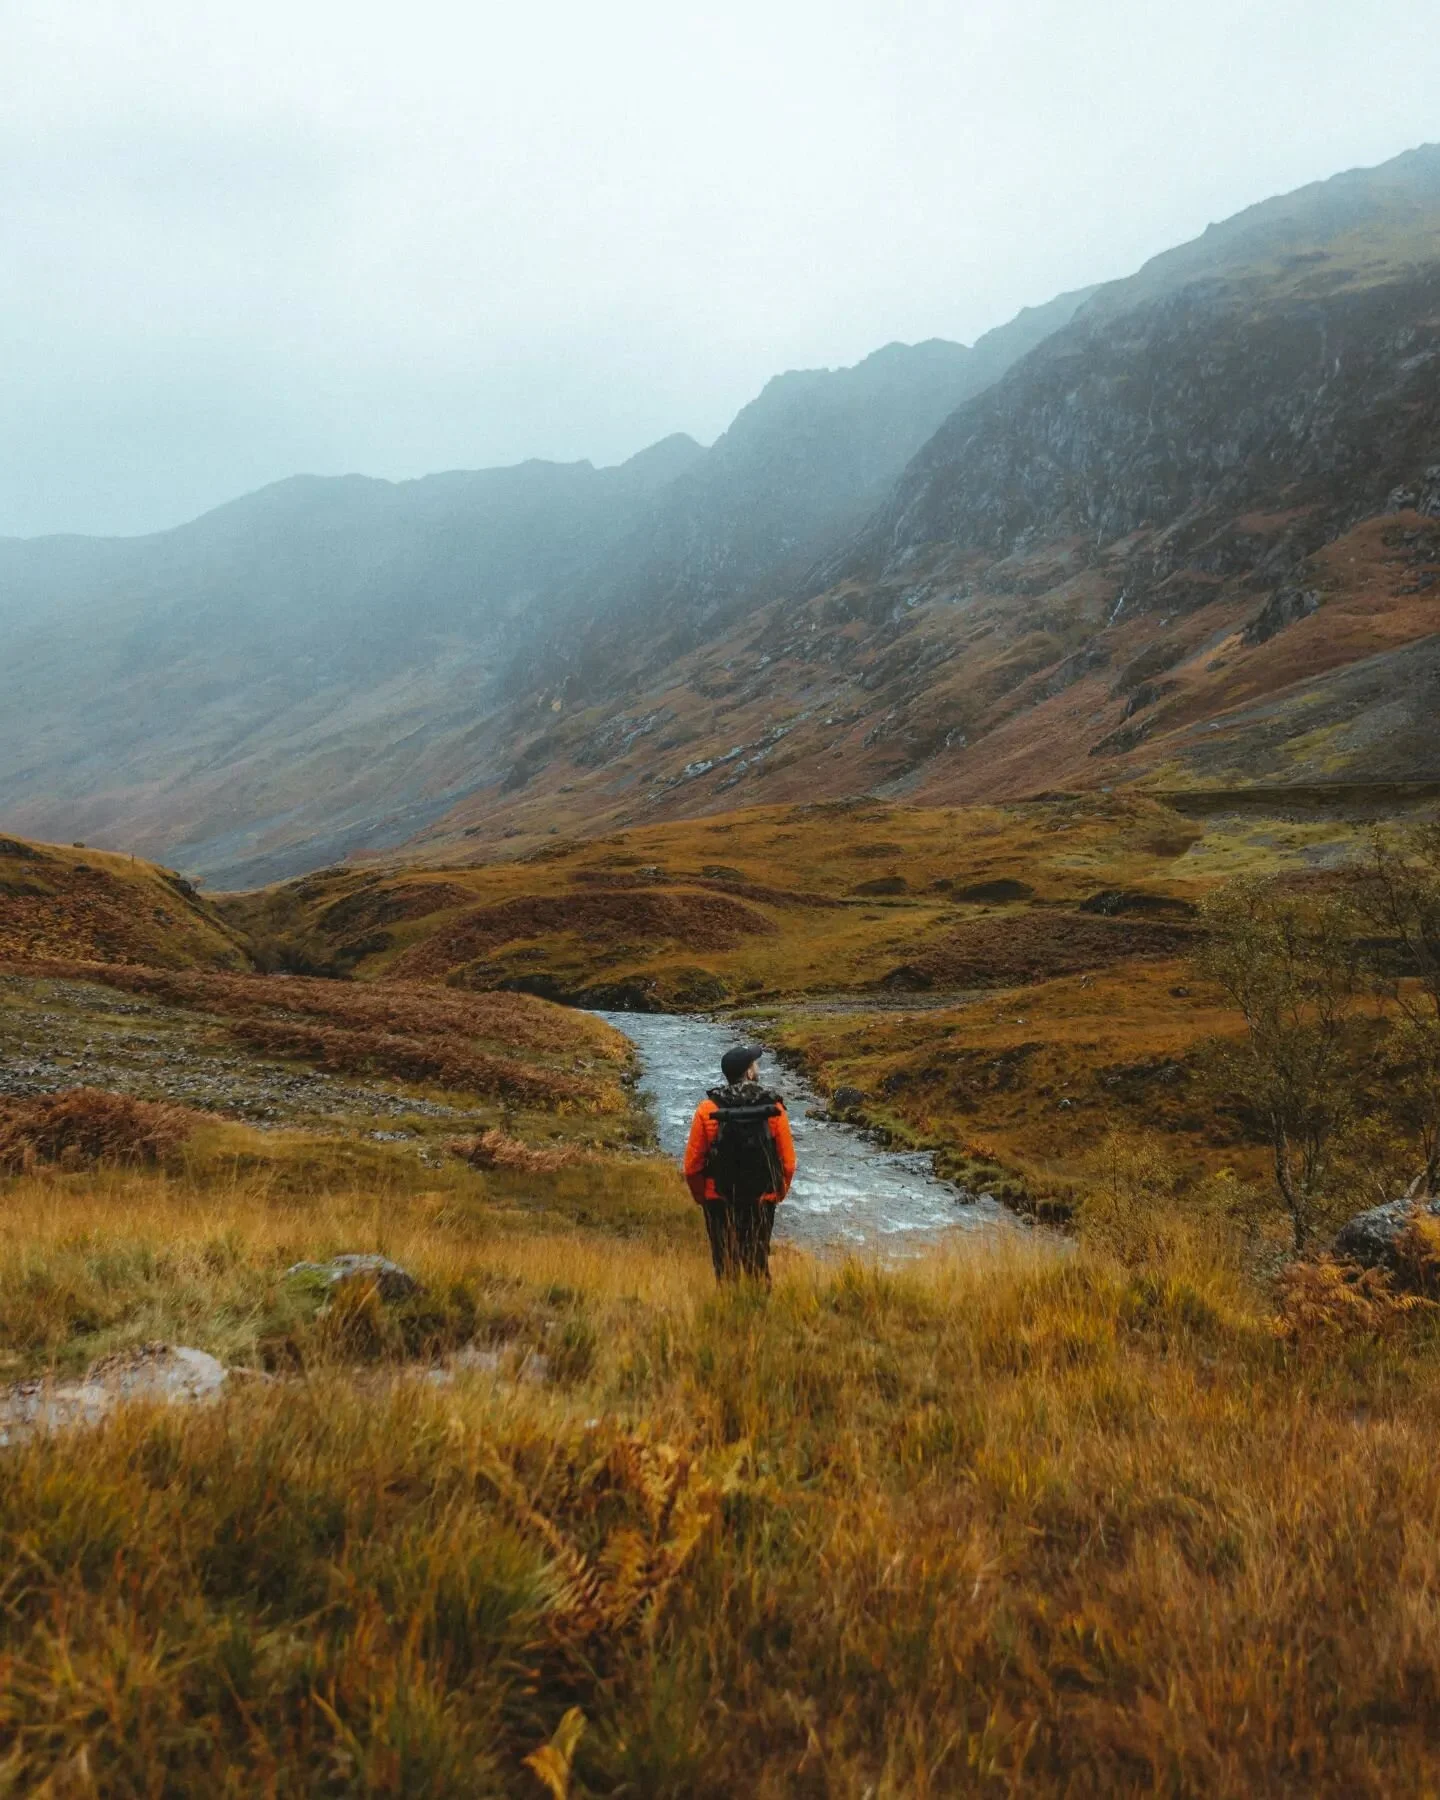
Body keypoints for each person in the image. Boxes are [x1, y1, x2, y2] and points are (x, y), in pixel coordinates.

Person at [683, 1043, 796, 1283]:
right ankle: (758, 1303)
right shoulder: (774, 1108)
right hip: (762, 1199)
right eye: (755, 1064)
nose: (757, 1067)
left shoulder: (707, 1109)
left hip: (718, 1200)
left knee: (724, 1265)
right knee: (757, 1262)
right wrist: (777, 1193)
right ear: (749, 1072)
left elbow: (692, 1167)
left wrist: (703, 1197)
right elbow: (788, 1164)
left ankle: (728, 1304)